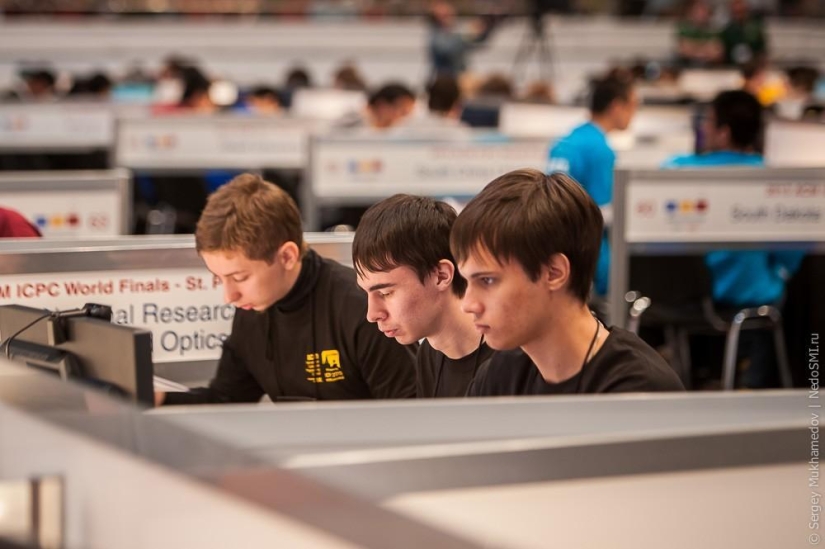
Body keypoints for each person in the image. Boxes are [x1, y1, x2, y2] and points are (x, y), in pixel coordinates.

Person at [158, 174, 416, 405]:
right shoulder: (252, 308)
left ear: (287, 256)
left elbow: (409, 416)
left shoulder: (364, 310)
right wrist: (158, 398)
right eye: (219, 278)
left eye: (240, 277)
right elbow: (226, 399)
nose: (229, 296)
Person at [449, 169, 684, 396]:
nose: (468, 304)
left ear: (554, 273)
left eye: (487, 280)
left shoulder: (638, 392)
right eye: (467, 281)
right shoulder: (499, 376)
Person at [662, 90, 805, 388]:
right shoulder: (771, 180)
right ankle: (752, 392)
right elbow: (792, 250)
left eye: (709, 122)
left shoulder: (674, 170)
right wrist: (777, 274)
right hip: (746, 298)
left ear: (724, 133)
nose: (703, 128)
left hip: (677, 300)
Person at [353, 194, 494, 398]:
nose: (373, 314)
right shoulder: (429, 354)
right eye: (367, 293)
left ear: (441, 275)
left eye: (386, 293)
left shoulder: (512, 358)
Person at [546, 75, 638, 303]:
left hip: (554, 245)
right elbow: (603, 211)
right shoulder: (600, 149)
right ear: (616, 106)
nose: (634, 115)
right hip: (588, 251)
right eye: (633, 107)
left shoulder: (566, 140)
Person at [428, 1, 498, 79]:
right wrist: (469, 35)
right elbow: (446, 49)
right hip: (445, 80)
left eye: (451, 14)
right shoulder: (436, 35)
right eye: (446, 16)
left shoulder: (455, 33)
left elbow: (478, 41)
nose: (451, 18)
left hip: (461, 77)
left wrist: (486, 25)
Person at [675, 0, 722, 67]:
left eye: (704, 11)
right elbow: (684, 50)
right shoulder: (685, 29)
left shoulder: (713, 30)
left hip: (709, 67)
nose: (701, 14)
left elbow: (716, 53)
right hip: (688, 67)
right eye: (698, 11)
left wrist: (693, 47)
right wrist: (706, 48)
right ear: (692, 12)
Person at [720, 0, 767, 67]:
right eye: (736, 12)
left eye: (741, 12)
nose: (739, 15)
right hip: (732, 68)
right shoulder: (727, 30)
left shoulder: (755, 28)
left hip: (752, 68)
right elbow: (723, 53)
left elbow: (762, 51)